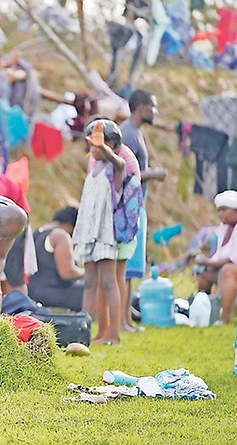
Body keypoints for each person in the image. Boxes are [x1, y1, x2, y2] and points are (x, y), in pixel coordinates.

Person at [72, 119, 126, 345]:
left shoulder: (114, 169)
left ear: (111, 145)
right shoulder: (93, 168)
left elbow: (121, 163)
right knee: (89, 282)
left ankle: (114, 334)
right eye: (91, 146)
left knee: (109, 282)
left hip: (105, 233)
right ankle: (83, 332)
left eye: (98, 146)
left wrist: (105, 150)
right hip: (88, 232)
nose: (93, 150)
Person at [87, 115, 141, 335]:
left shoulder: (124, 159)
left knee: (117, 277)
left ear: (108, 144)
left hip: (120, 227)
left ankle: (116, 329)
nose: (91, 147)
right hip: (102, 226)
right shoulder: (96, 158)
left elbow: (121, 196)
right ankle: (104, 329)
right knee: (102, 281)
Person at [121, 88, 167, 328]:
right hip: (130, 207)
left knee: (131, 266)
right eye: (152, 106)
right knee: (127, 266)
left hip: (136, 206)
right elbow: (127, 174)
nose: (155, 112)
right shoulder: (128, 134)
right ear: (142, 108)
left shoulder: (134, 132)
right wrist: (154, 174)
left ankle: (126, 318)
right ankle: (123, 320)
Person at [195, 190, 237, 324]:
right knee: (204, 274)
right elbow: (219, 255)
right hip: (233, 269)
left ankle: (225, 318)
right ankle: (204, 314)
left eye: (224, 210)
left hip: (235, 269)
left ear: (236, 210)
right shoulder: (224, 227)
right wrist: (205, 262)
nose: (220, 214)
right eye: (218, 211)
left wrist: (207, 262)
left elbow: (234, 259)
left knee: (228, 270)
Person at [27, 206, 85, 311]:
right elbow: (67, 273)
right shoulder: (61, 236)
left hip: (31, 291)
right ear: (71, 225)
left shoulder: (37, 232)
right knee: (93, 286)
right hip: (52, 292)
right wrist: (87, 272)